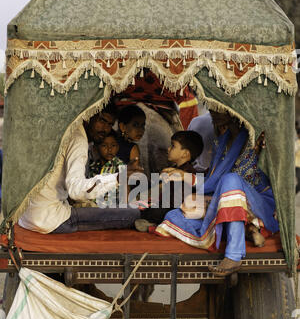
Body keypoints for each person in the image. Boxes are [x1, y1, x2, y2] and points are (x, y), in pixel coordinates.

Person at [155, 111, 278, 277]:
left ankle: (234, 255)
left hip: (259, 202)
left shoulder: (255, 138)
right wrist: (184, 177)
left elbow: (266, 175)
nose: (214, 113)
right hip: (229, 201)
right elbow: (212, 180)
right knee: (173, 215)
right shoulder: (222, 141)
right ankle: (249, 229)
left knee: (231, 179)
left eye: (219, 108)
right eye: (212, 109)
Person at [18, 103, 141, 234]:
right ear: (88, 116)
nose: (105, 129)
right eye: (102, 121)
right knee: (132, 213)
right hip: (52, 220)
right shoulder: (77, 137)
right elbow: (75, 191)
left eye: (110, 125)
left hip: (27, 217)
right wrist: (117, 178)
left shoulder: (59, 129)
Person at [134, 130, 204, 231]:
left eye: (173, 146)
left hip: (176, 208)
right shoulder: (174, 168)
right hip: (165, 204)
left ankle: (156, 223)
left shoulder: (187, 173)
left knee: (156, 210)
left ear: (185, 154)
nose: (168, 149)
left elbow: (177, 202)